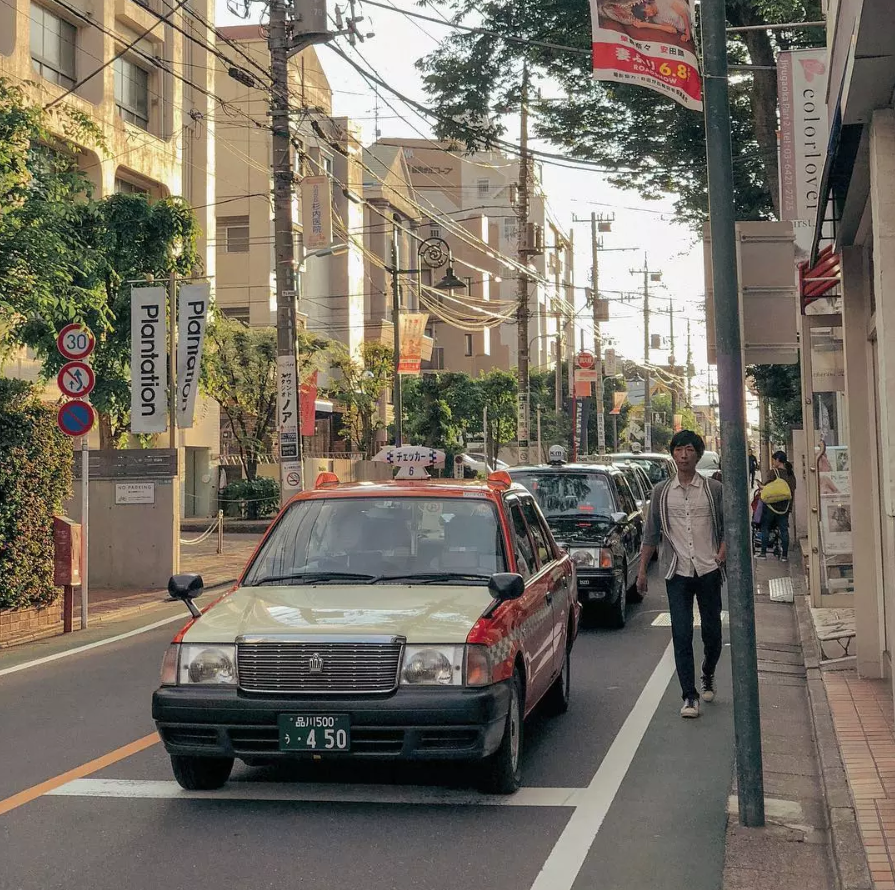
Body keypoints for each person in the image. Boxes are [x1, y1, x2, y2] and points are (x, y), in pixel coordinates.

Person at [637, 430, 725, 719]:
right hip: (677, 573)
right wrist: (641, 574)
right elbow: (650, 535)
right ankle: (689, 696)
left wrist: (722, 551)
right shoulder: (661, 492)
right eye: (678, 450)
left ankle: (708, 672)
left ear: (698, 454)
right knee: (681, 633)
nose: (683, 455)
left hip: (709, 569)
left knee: (713, 633)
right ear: (672, 454)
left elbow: (727, 527)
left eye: (689, 450)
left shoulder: (713, 490)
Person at [756, 450, 796, 562]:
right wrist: (789, 508)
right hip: (785, 507)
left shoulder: (773, 473)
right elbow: (792, 492)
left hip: (771, 507)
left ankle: (763, 553)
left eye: (774, 459)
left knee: (765, 527)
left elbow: (765, 488)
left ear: (778, 460)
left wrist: (760, 485)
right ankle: (784, 556)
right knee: (784, 530)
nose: (773, 462)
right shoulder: (791, 475)